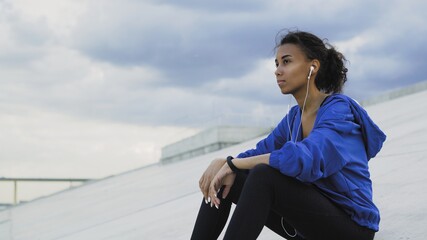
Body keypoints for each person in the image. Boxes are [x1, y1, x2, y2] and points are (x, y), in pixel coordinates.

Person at [191, 30, 386, 240]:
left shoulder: (339, 111)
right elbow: (261, 151)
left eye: (286, 62)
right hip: (310, 227)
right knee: (229, 176)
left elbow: (304, 158)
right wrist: (225, 163)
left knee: (262, 175)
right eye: (276, 64)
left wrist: (232, 163)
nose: (278, 71)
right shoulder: (294, 118)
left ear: (313, 66)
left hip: (351, 229)